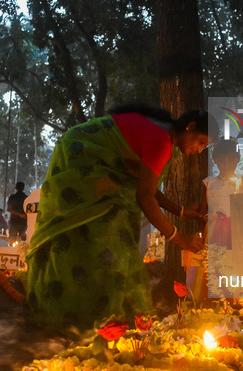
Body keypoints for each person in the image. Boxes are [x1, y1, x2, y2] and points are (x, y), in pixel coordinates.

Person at [26, 104, 214, 334]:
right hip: (82, 158)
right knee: (110, 234)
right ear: (190, 126)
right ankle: (89, 316)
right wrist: (178, 238)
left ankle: (87, 312)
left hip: (86, 155)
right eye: (201, 142)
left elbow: (146, 185)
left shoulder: (163, 137)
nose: (199, 150)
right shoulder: (161, 141)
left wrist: (182, 211)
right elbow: (144, 197)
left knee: (107, 235)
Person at [193, 139, 243, 299]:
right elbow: (203, 211)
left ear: (237, 159)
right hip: (214, 231)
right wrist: (203, 225)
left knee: (241, 262)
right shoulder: (209, 184)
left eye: (231, 160)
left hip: (239, 229)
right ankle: (218, 298)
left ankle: (239, 298)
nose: (227, 164)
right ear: (215, 161)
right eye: (222, 161)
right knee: (216, 264)